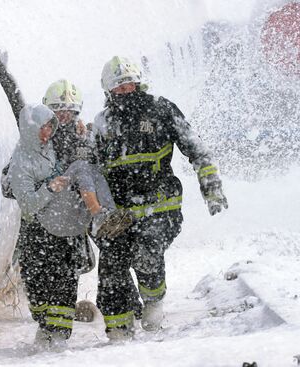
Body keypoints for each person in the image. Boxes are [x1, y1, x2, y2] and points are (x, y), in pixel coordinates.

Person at [91, 56, 228, 341]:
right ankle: (118, 329)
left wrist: (211, 186)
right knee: (112, 266)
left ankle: (153, 302)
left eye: (130, 85)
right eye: (119, 88)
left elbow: (197, 149)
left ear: (139, 83)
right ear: (108, 91)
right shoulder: (102, 124)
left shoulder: (162, 110)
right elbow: (89, 170)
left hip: (161, 207)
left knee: (147, 250)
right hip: (121, 216)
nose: (126, 91)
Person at [8, 103, 133, 346]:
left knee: (64, 280)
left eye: (49, 127)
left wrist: (84, 135)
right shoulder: (21, 162)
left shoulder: (52, 146)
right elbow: (28, 205)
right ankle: (45, 325)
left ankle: (59, 337)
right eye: (42, 129)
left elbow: (76, 149)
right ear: (29, 130)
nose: (47, 133)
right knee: (38, 286)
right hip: (37, 230)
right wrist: (49, 188)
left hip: (62, 226)